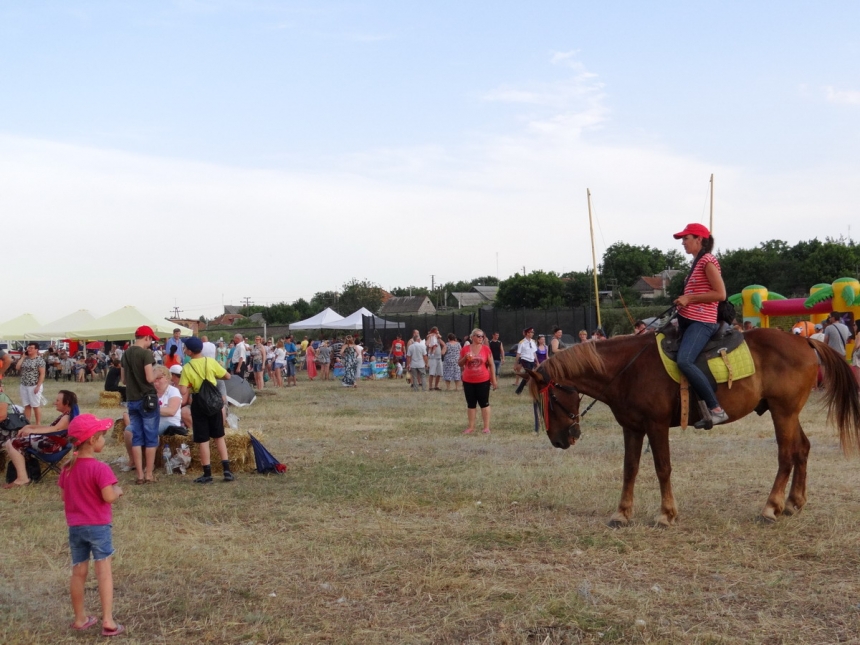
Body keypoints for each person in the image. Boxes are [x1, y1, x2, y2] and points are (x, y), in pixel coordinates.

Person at [59, 414, 125, 637]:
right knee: (104, 571)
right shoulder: (100, 469)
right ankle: (108, 620)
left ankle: (80, 619)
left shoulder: (67, 468)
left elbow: (63, 496)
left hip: (75, 527)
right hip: (98, 526)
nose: (104, 441)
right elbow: (108, 497)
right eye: (103, 437)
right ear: (92, 440)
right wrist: (118, 490)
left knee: (78, 572)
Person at [672, 222, 729, 427]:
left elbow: (720, 294)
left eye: (686, 238)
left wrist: (689, 299)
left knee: (685, 361)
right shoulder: (696, 262)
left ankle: (716, 409)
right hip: (688, 319)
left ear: (699, 239)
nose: (683, 243)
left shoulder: (707, 260)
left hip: (702, 322)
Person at [178, 336, 234, 484]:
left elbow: (183, 390)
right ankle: (227, 470)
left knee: (203, 439)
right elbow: (227, 376)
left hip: (199, 404)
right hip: (214, 403)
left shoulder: (187, 367)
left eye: (185, 348)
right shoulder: (210, 361)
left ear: (189, 351)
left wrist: (190, 384)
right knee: (219, 436)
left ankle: (207, 473)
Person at [3, 390, 79, 488]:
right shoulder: (67, 415)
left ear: (67, 402)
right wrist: (29, 427)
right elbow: (48, 428)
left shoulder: (66, 417)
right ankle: (23, 475)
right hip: (53, 442)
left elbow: (54, 429)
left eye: (57, 400)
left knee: (12, 442)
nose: (54, 403)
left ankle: (23, 478)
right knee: (12, 442)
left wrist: (32, 431)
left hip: (52, 446)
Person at [121, 325, 160, 485]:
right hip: (147, 400)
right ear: (147, 338)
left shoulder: (126, 354)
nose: (151, 342)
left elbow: (123, 380)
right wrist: (158, 372)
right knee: (151, 437)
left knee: (136, 437)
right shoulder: (146, 353)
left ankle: (139, 475)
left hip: (132, 399)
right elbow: (150, 378)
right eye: (151, 339)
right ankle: (149, 474)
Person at [458, 328, 497, 434]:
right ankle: (471, 427)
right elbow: (460, 364)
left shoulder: (486, 349)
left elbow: (491, 365)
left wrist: (493, 380)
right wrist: (465, 358)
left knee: (484, 403)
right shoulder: (465, 349)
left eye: (482, 336)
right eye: (478, 336)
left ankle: (486, 427)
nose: (481, 338)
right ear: (472, 337)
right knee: (471, 404)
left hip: (483, 380)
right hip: (468, 380)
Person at [16, 342, 46, 425]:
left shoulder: (39, 360)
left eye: (31, 348)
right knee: (27, 405)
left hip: (34, 385)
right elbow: (17, 367)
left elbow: (42, 374)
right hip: (24, 384)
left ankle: (38, 423)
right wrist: (22, 357)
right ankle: (26, 423)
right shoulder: (26, 359)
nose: (29, 349)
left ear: (36, 350)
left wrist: (38, 386)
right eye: (28, 348)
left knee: (35, 405)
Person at [514, 328, 537, 395]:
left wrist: (537, 361)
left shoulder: (533, 341)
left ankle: (519, 390)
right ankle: (519, 390)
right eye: (531, 332)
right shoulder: (522, 342)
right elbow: (518, 354)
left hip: (532, 360)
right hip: (525, 360)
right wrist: (515, 364)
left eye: (533, 332)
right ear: (527, 333)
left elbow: (534, 352)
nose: (533, 333)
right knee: (528, 374)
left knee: (528, 376)